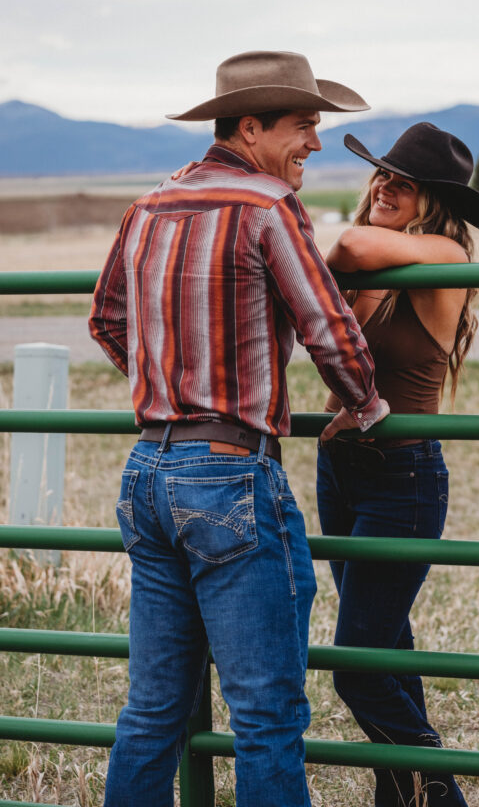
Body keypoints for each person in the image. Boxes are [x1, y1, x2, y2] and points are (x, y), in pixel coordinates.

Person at [89, 50, 389, 807]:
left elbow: (106, 319)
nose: (315, 145)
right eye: (304, 126)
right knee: (266, 713)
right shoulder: (265, 207)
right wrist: (365, 405)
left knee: (154, 709)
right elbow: (328, 327)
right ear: (250, 128)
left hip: (146, 472)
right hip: (228, 474)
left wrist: (168, 380)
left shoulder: (149, 205)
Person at [316, 121, 479, 807]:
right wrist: (348, 403)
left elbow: (349, 241)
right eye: (381, 175)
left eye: (404, 182)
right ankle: (401, 797)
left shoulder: (443, 254)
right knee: (385, 644)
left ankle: (438, 792)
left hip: (403, 477)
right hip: (342, 470)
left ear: (434, 202)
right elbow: (340, 369)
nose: (385, 187)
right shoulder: (374, 273)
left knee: (355, 668)